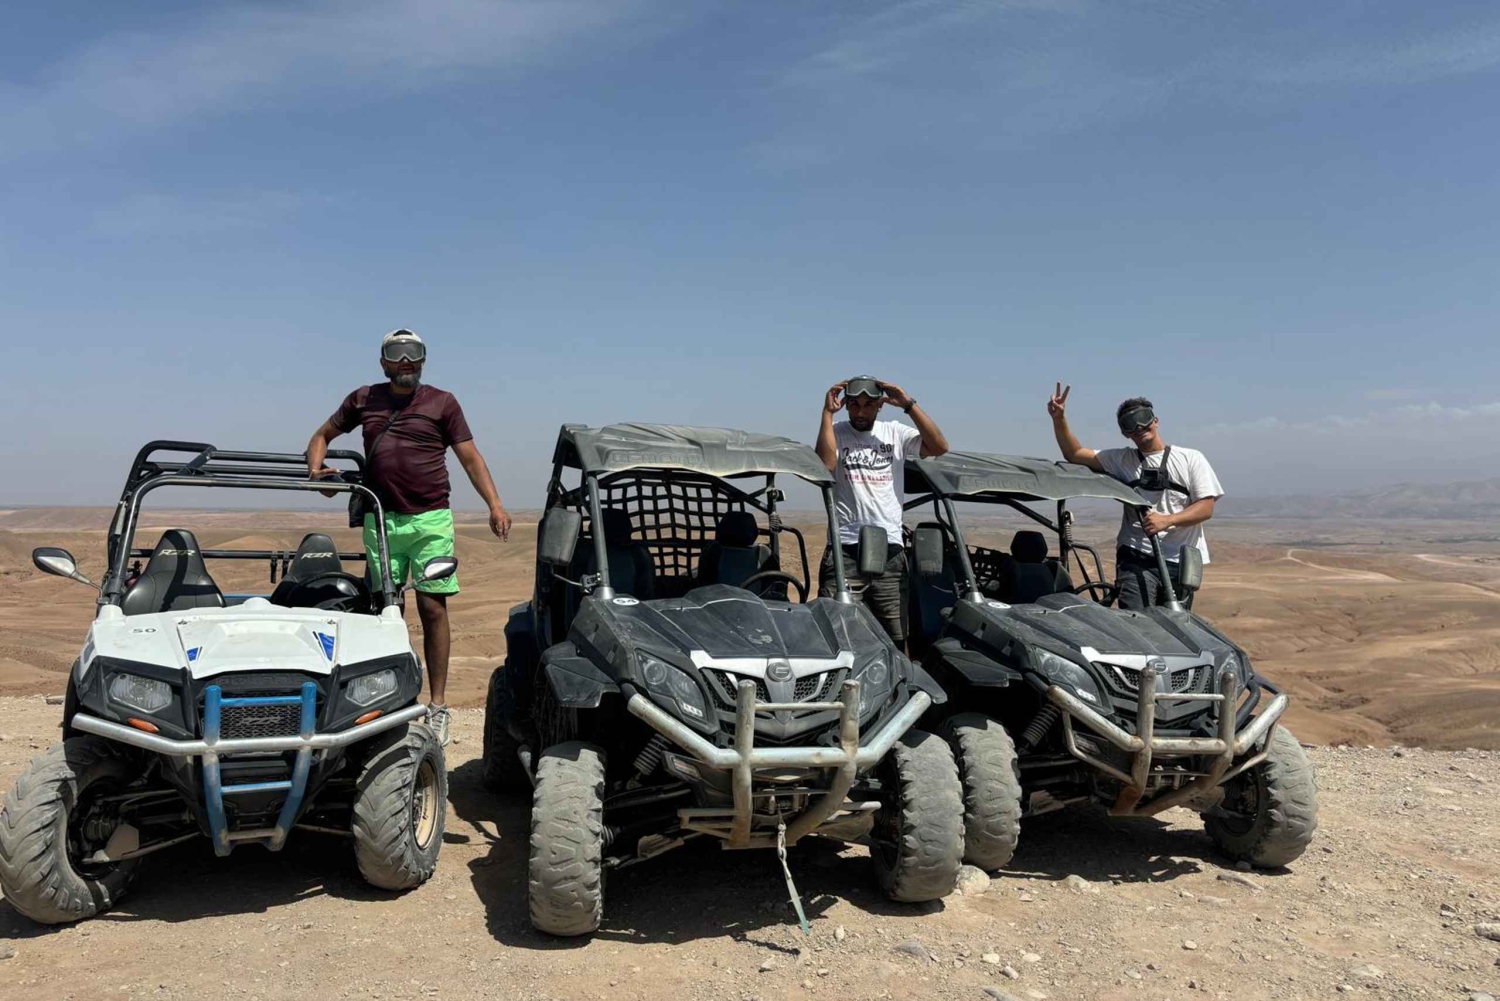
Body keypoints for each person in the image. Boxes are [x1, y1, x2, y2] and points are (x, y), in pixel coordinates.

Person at [306, 329, 513, 745]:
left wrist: (494, 503)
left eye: (413, 353)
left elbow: (470, 458)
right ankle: (390, 702)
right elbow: (321, 436)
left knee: (433, 606)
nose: (405, 361)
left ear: (423, 360)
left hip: (430, 520)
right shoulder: (364, 399)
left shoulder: (443, 402)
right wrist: (316, 474)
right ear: (382, 362)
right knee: (385, 611)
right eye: (395, 353)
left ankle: (437, 707)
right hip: (381, 519)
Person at [1046, 383, 1223, 610]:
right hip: (1136, 557)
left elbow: (1206, 507)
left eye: (1144, 418)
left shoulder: (1191, 459)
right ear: (1125, 433)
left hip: (1179, 561)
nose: (1139, 427)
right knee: (1136, 622)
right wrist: (1059, 418)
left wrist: (1167, 520)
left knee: (1175, 627)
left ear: (1156, 421)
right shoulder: (1122, 460)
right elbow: (1075, 454)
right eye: (1130, 423)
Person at [815, 376, 949, 646]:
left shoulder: (895, 433)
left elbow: (939, 447)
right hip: (845, 550)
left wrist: (908, 404)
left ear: (880, 406)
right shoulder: (837, 432)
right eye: (854, 405)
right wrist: (827, 414)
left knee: (895, 636)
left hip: (889, 550)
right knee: (836, 635)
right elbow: (827, 463)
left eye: (868, 405)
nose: (861, 412)